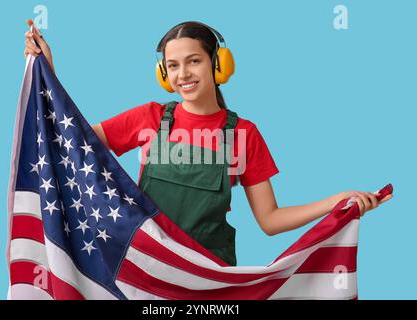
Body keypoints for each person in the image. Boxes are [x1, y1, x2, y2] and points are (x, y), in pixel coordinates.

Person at [23, 19, 393, 266]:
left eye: (194, 61)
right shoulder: (148, 118)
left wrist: (337, 201)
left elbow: (270, 220)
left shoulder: (244, 134)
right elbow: (71, 142)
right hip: (148, 267)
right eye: (173, 65)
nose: (183, 73)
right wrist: (48, 74)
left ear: (219, 64)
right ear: (163, 73)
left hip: (208, 274)